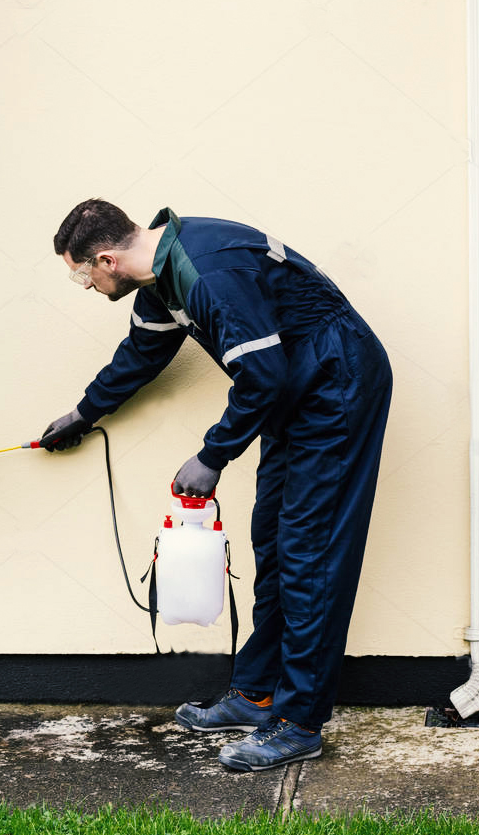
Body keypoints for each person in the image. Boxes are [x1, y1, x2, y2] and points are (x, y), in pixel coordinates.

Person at [40, 199, 391, 772]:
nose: (86, 286)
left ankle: (300, 722)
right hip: (294, 396)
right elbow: (141, 356)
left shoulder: (206, 272)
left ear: (106, 258)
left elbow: (264, 374)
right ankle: (257, 693)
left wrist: (212, 456)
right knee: (275, 545)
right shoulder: (161, 281)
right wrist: (84, 413)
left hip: (336, 388)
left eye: (82, 275)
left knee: (310, 553)